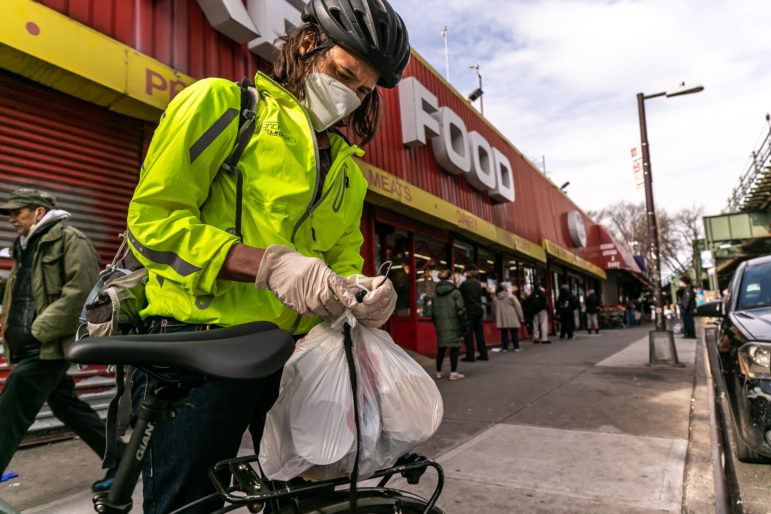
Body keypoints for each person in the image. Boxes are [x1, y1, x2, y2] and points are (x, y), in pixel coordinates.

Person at [124, 1, 409, 512]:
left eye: (364, 90)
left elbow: (343, 259)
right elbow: (152, 223)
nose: (351, 97)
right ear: (306, 45)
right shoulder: (222, 105)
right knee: (188, 506)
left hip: (294, 358)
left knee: (310, 501)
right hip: (199, 346)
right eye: (346, 74)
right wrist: (269, 266)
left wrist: (361, 291)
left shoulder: (348, 174)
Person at [0, 188, 120, 492]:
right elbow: (25, 291)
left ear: (39, 212)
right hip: (29, 343)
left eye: (18, 212)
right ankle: (123, 459)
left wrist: (39, 329)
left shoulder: (71, 240)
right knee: (68, 407)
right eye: (10, 213)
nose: (12, 218)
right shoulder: (26, 245)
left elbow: (81, 291)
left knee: (10, 411)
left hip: (48, 344)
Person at [431, 269, 469, 380]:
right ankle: (453, 373)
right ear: (451, 278)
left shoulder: (435, 294)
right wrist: (465, 324)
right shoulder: (455, 292)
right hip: (454, 324)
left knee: (441, 349)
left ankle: (438, 372)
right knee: (454, 348)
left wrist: (437, 324)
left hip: (440, 325)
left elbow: (433, 313)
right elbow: (461, 310)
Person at [459, 263, 489, 361]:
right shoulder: (478, 283)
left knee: (469, 335)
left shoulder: (465, 284)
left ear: (469, 272)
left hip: (469, 312)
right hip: (479, 311)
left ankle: (470, 355)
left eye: (466, 271)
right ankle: (483, 354)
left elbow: (460, 296)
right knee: (480, 335)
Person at [492, 283, 524, 351]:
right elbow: (518, 307)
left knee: (504, 333)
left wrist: (495, 319)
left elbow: (493, 310)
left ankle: (504, 347)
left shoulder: (495, 298)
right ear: (505, 288)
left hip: (501, 318)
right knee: (514, 332)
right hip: (512, 316)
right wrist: (521, 318)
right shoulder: (511, 296)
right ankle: (516, 347)